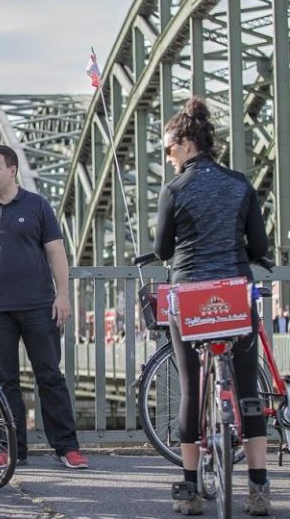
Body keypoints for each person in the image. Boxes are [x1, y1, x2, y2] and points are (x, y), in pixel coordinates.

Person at [154, 96, 270, 516]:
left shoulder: (175, 189)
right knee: (247, 389)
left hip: (190, 298)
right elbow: (260, 246)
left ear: (185, 143)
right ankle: (258, 488)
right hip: (235, 294)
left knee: (191, 388)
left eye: (168, 149)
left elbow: (162, 247)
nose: (167, 158)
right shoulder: (240, 184)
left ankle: (189, 490)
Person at [0, 144, 89, 470]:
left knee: (50, 377)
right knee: (2, 382)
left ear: (12, 171)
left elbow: (56, 252)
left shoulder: (37, 206)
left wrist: (63, 294)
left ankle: (67, 447)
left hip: (39, 306)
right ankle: (10, 450)